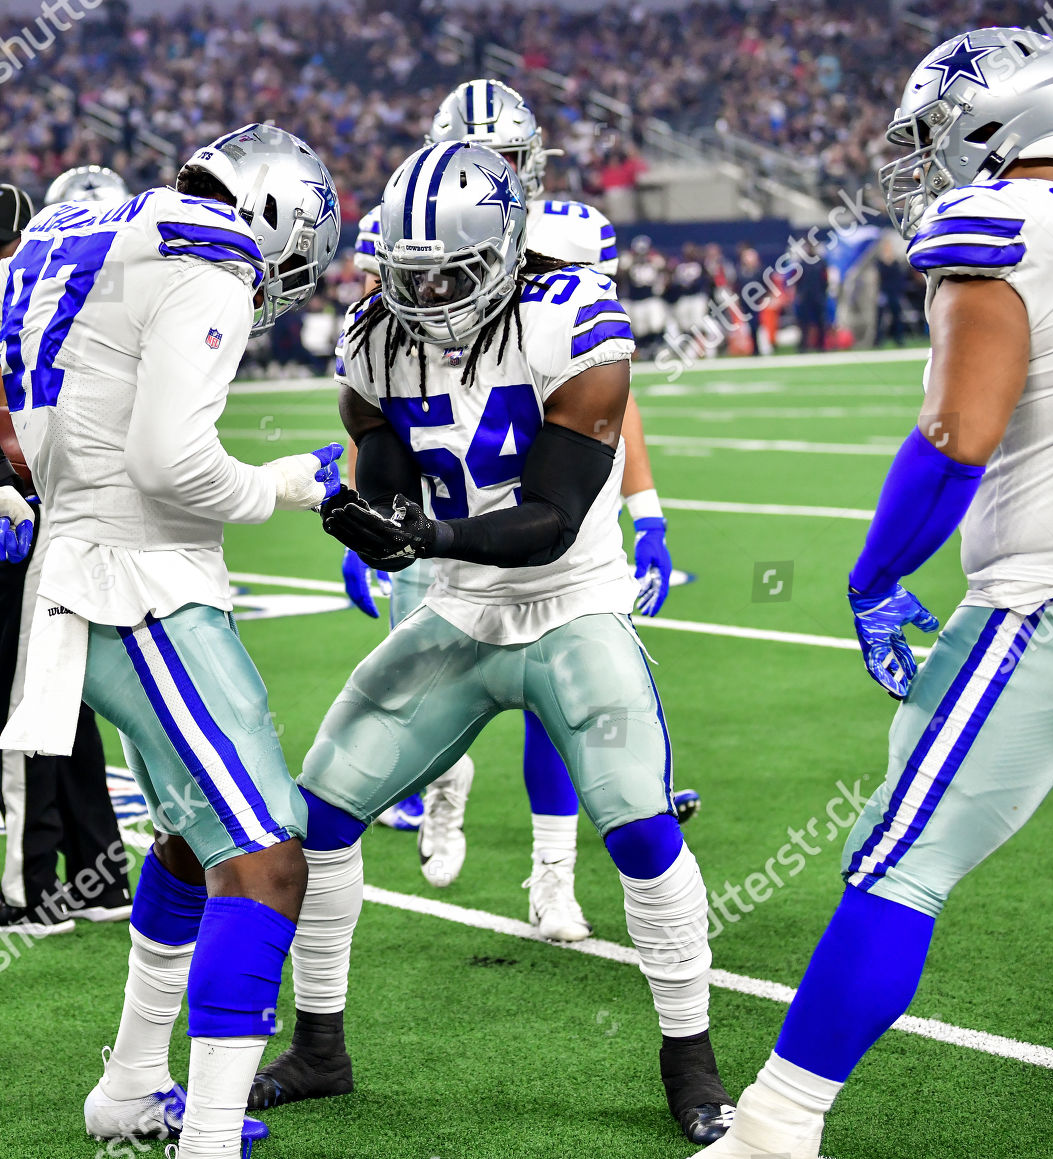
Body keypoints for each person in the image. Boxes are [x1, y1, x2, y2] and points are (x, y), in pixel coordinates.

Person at [701, 29, 1053, 1158]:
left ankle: (774, 1127)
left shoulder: (996, 231)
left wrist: (875, 576)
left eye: (931, 134)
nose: (918, 160)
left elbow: (955, 436)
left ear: (991, 124)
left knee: (897, 858)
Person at [251, 141, 734, 1145]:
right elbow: (387, 463)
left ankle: (691, 1054)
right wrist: (375, 517)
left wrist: (429, 538)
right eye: (407, 269)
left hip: (569, 605)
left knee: (641, 825)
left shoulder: (576, 319)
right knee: (324, 809)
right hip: (460, 607)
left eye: (448, 270)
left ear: (508, 251)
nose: (424, 292)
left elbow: (553, 514)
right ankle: (321, 1043)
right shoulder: (375, 333)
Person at [0, 124, 344, 1155]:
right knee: (268, 858)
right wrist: (284, 486)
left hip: (81, 562)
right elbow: (173, 461)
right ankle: (211, 1134)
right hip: (140, 584)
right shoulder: (209, 259)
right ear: (273, 216)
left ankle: (131, 1089)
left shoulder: (78, 225)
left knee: (189, 839)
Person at [341, 79, 688, 944]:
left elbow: (606, 400)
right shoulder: (400, 230)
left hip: (550, 528)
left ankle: (551, 875)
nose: (492, 175)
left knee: (554, 705)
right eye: (478, 156)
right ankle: (442, 797)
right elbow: (385, 385)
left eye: (509, 160)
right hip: (444, 512)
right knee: (426, 704)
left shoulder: (569, 250)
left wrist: (646, 508)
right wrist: (364, 502)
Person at [0, 181, 136, 937]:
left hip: (36, 510)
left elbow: (2, 417)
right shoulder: (112, 301)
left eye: (2, 245)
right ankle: (102, 870)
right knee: (69, 696)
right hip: (94, 510)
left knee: (24, 702)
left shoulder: (18, 306)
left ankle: (31, 890)